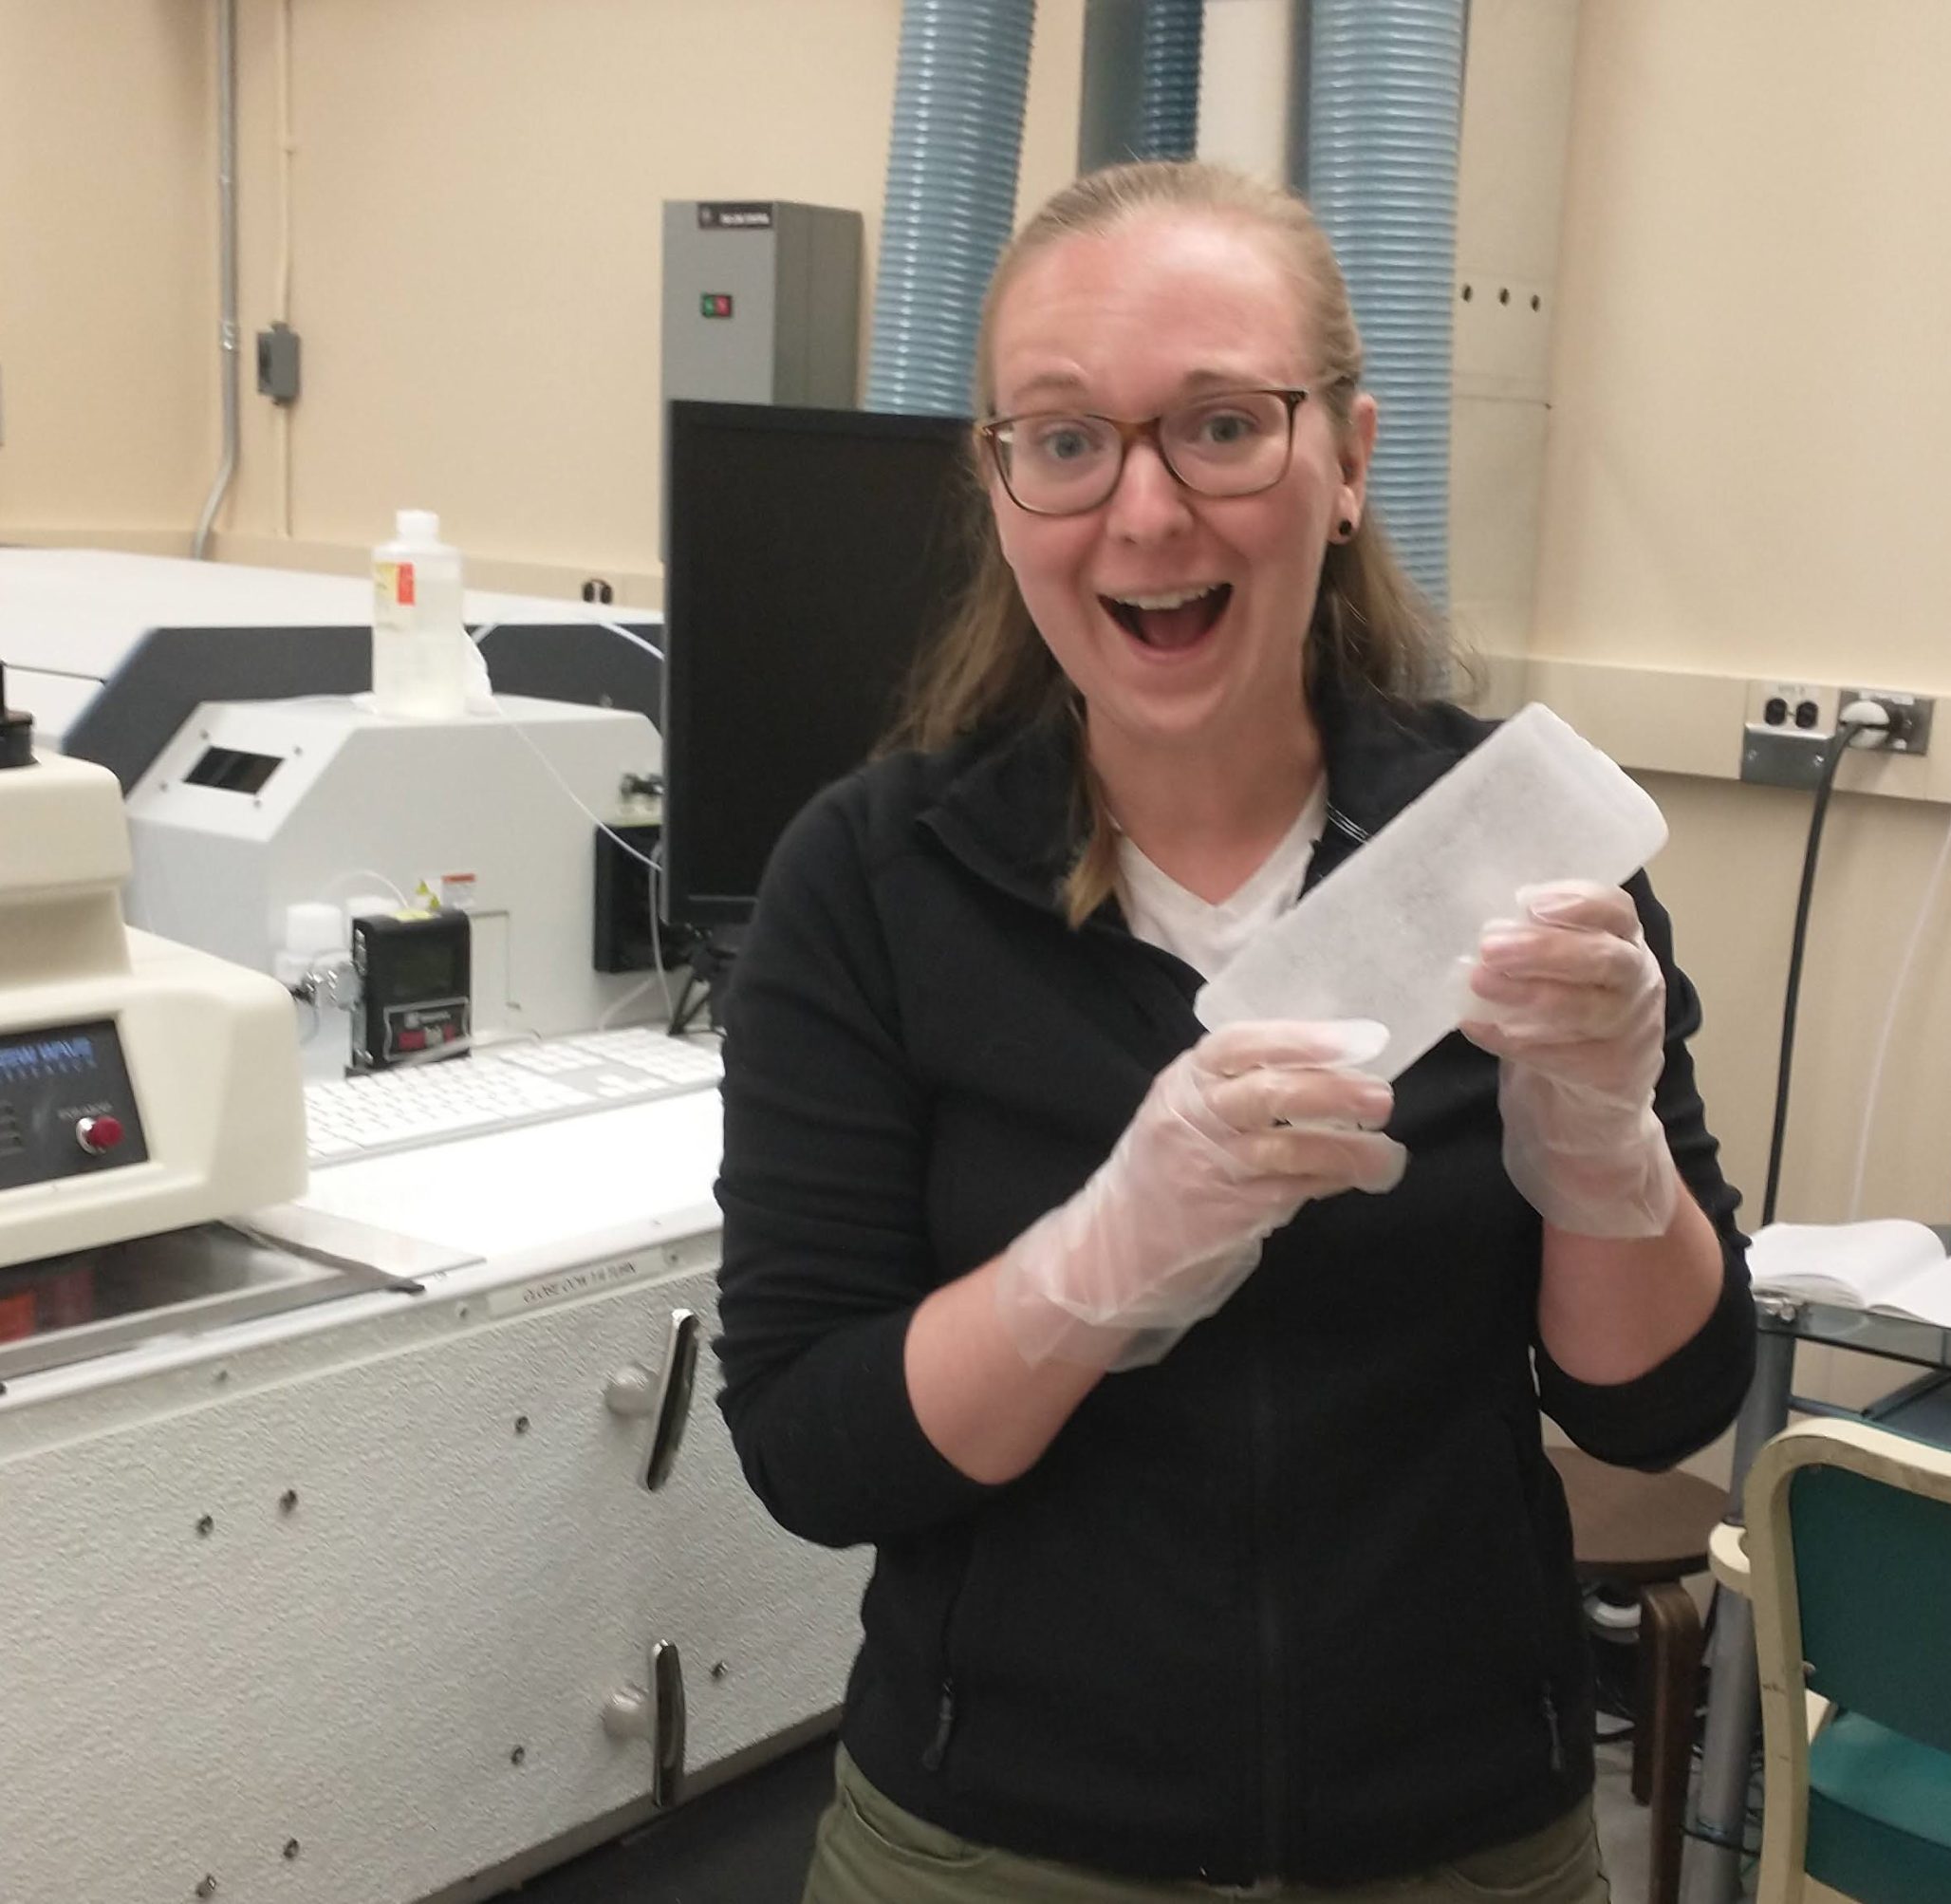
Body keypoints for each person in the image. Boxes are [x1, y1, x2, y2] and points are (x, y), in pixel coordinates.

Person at [714, 159, 1756, 1903]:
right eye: (1064, 438)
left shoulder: (1504, 851)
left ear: (1347, 460)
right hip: (1000, 1844)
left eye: (1219, 425)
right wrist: (1095, 1260)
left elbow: (1656, 1404)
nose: (1142, 511)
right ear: (1000, 486)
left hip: (1462, 1837)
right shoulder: (875, 880)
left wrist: (1604, 1153)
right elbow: (815, 1449)